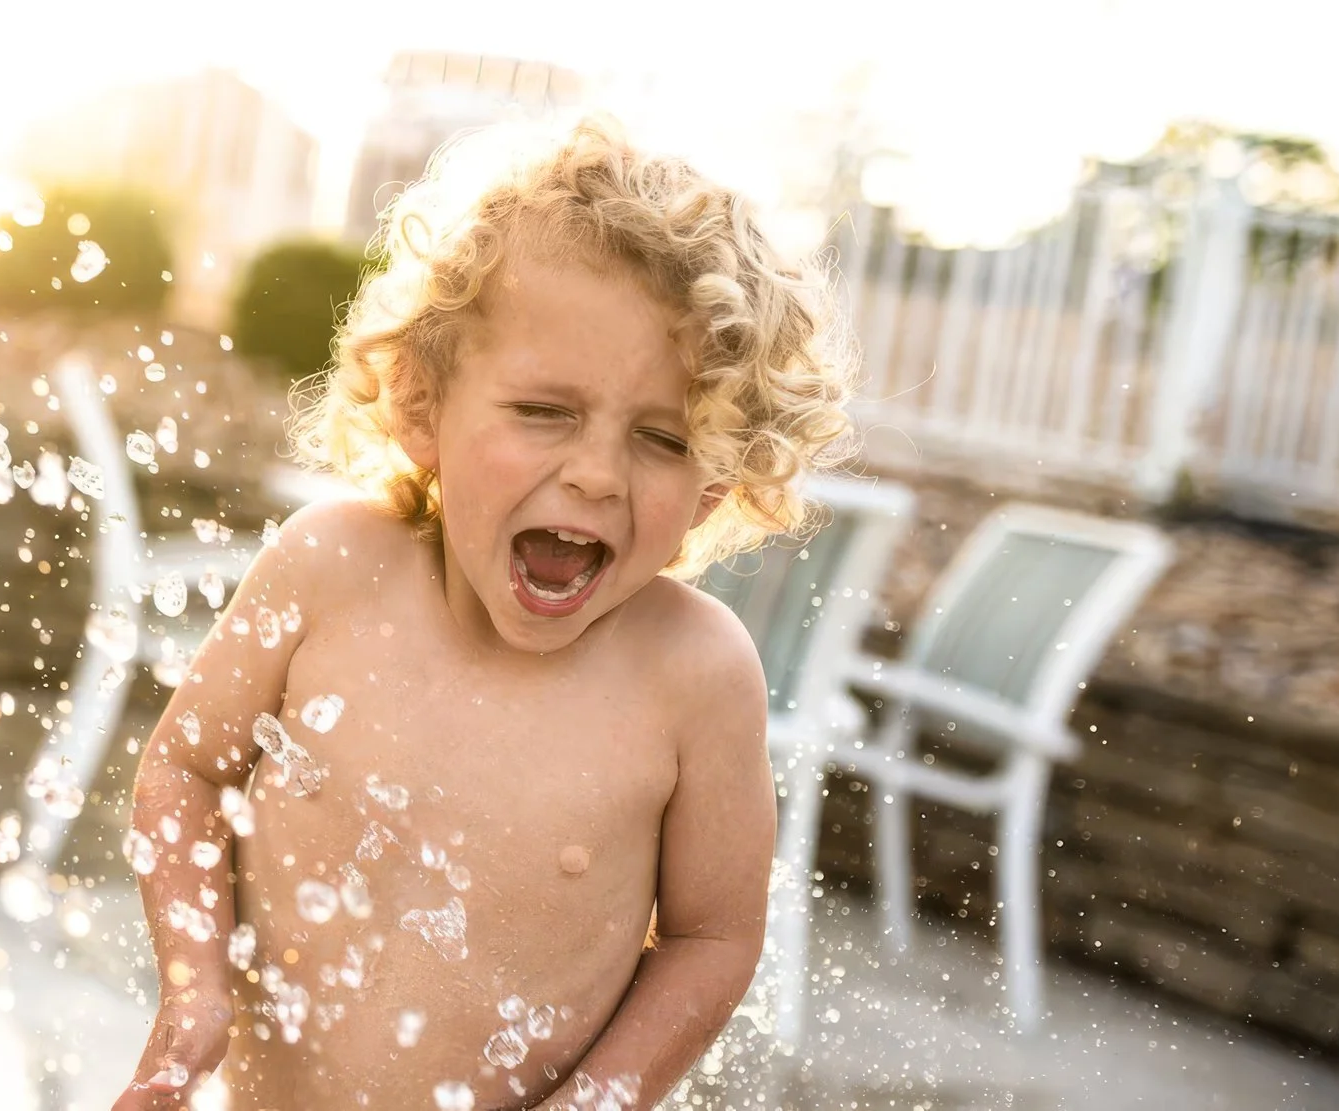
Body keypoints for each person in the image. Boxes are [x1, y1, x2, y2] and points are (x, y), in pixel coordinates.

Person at [112, 117, 857, 1110]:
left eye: (664, 439)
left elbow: (712, 937)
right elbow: (185, 770)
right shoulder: (331, 568)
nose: (597, 474)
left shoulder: (694, 674)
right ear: (423, 404)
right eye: (545, 412)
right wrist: (193, 988)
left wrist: (596, 1100)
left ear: (713, 483)